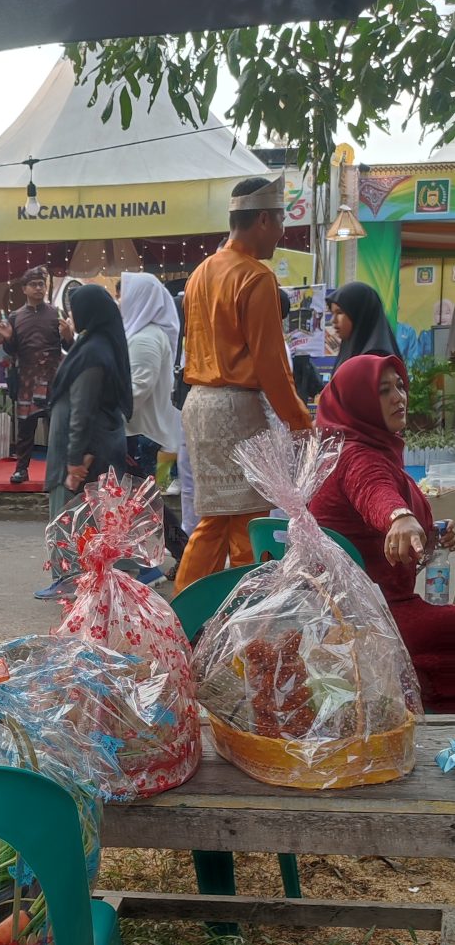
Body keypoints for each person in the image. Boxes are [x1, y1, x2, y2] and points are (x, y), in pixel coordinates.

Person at [174, 173, 312, 593]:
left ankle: (186, 613)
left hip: (200, 404)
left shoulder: (201, 272)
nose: (283, 234)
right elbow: (272, 365)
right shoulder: (255, 277)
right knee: (242, 520)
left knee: (220, 518)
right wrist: (301, 423)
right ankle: (248, 615)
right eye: (281, 222)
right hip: (233, 407)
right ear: (265, 221)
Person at [309, 353, 455, 711]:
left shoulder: (350, 448)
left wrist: (432, 533)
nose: (399, 397)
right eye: (383, 390)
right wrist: (399, 517)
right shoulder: (360, 456)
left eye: (400, 386)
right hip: (374, 622)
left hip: (349, 613)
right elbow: (373, 491)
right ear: (357, 400)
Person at [37, 283, 132, 598]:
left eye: (74, 309)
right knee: (85, 517)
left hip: (78, 449)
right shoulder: (95, 342)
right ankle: (82, 581)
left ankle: (71, 582)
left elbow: (82, 410)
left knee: (70, 515)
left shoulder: (93, 353)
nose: (70, 315)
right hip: (92, 445)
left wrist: (75, 459)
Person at [119, 271, 187, 571]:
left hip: (139, 430)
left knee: (146, 503)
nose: (122, 301)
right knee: (146, 502)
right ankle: (180, 551)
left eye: (126, 295)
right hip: (142, 429)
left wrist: (110, 405)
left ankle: (175, 553)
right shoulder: (147, 334)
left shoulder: (146, 338)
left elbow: (137, 389)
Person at [0, 266, 73, 483]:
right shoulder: (15, 316)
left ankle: (62, 469)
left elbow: (69, 346)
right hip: (27, 378)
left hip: (54, 377)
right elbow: (11, 352)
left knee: (58, 425)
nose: (39, 288)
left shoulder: (55, 312)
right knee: (26, 427)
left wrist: (68, 335)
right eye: (34, 284)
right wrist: (8, 338)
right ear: (24, 289)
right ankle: (21, 469)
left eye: (42, 284)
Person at [328, 282, 398, 371]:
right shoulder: (348, 348)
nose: (333, 320)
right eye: (332, 313)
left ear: (359, 314)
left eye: (339, 312)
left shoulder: (376, 359)